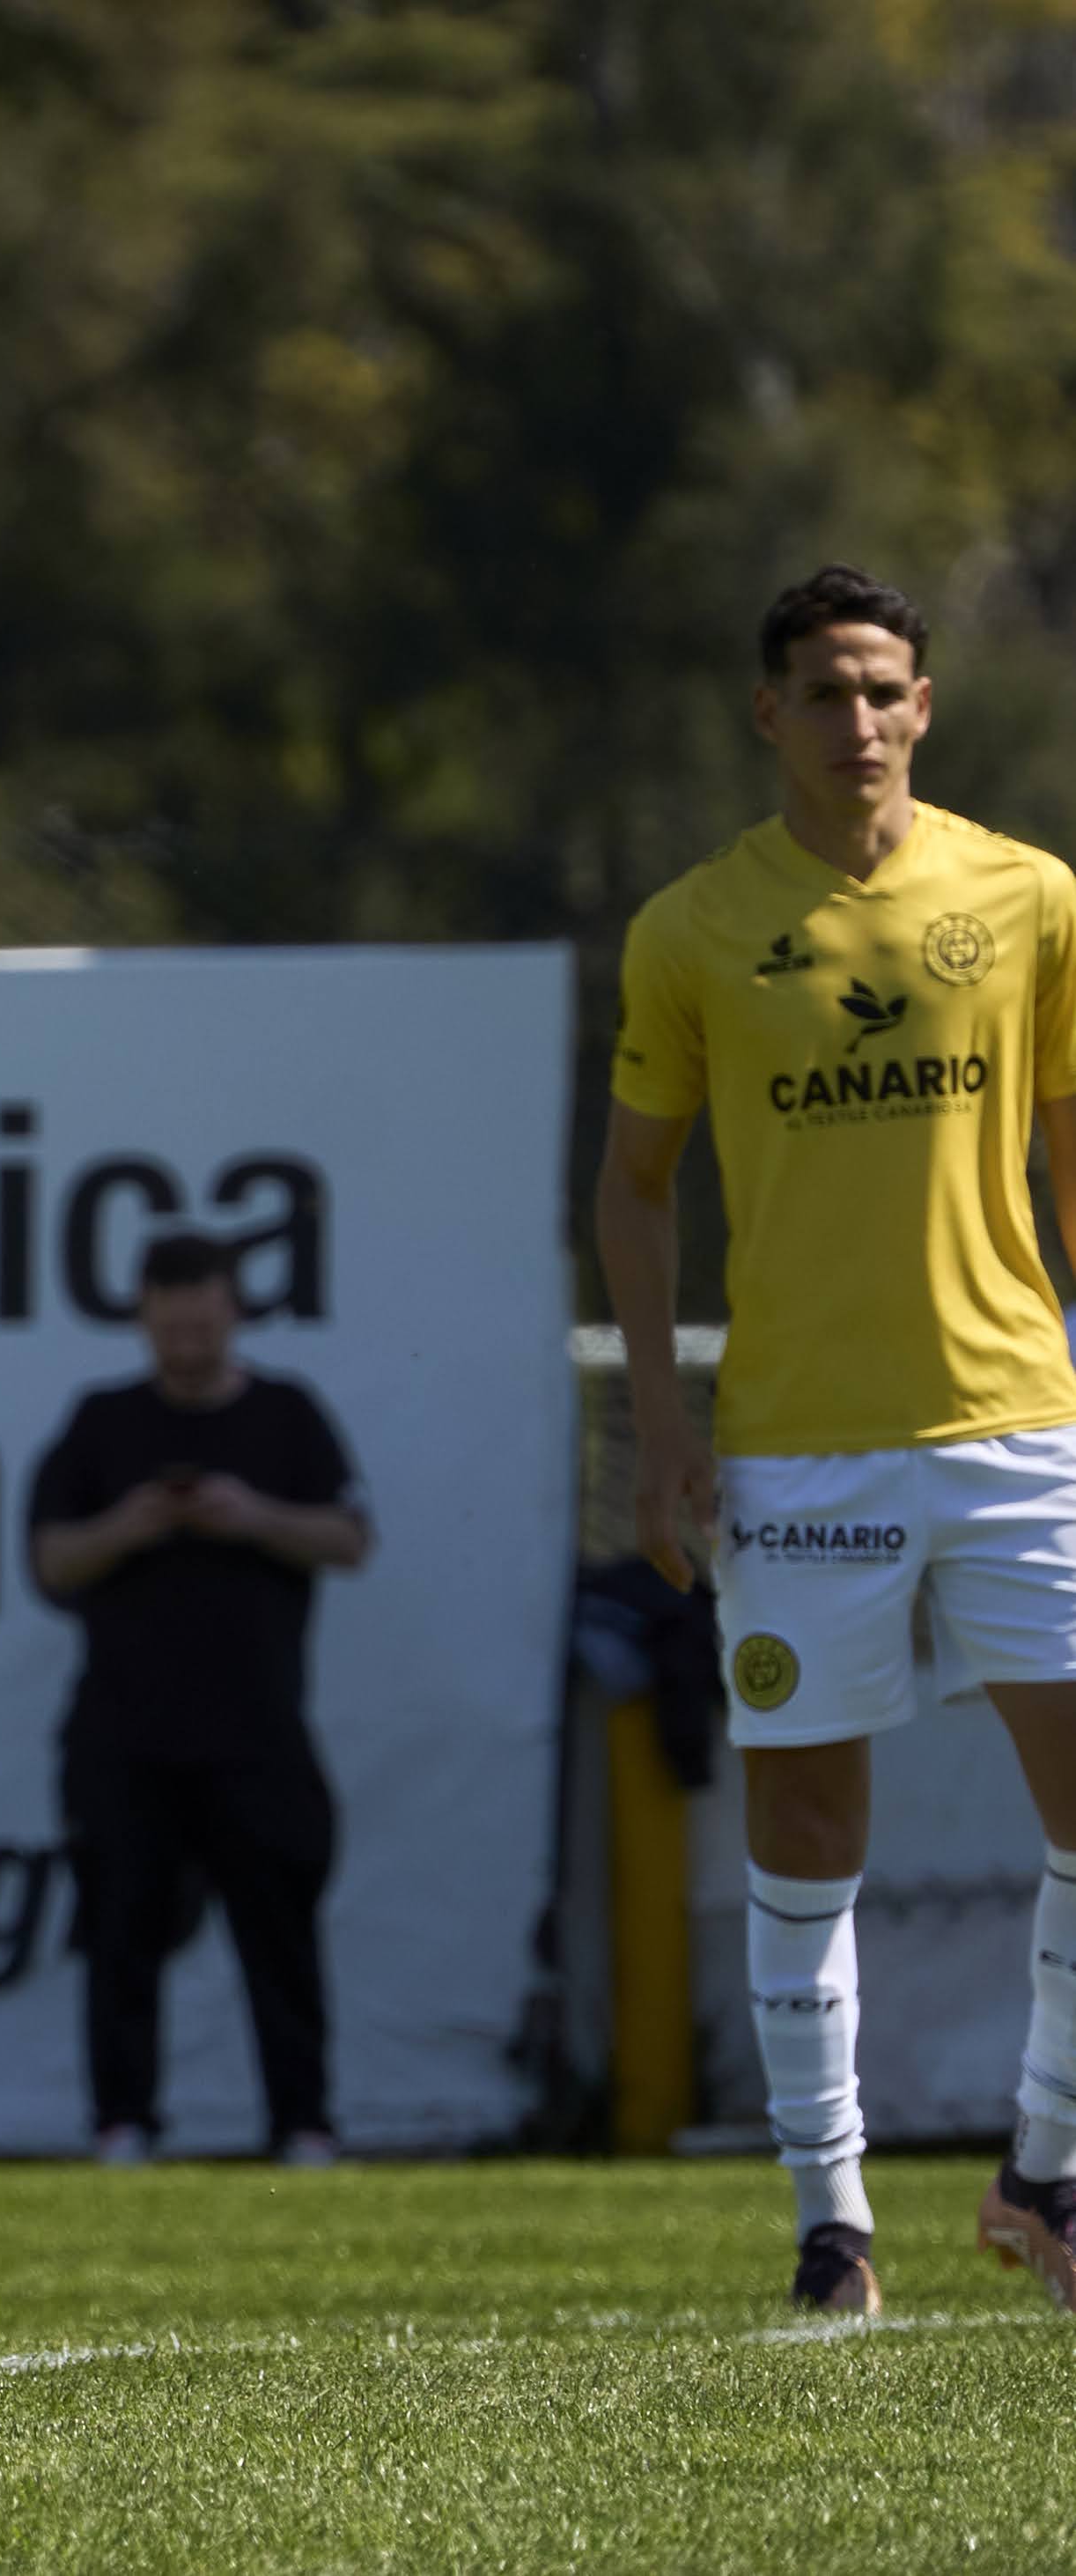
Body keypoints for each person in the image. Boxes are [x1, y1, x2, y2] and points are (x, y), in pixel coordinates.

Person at [599, 563, 1076, 2318]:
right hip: (801, 1449)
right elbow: (635, 1192)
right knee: (807, 1822)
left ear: (925, 708)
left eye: (882, 689)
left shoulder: (1031, 899)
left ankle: (1046, 2167)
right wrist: (662, 1427)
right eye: (821, 691)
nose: (854, 721)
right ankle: (834, 2225)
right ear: (767, 715)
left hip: (1022, 1419)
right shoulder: (694, 927)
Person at [26, 1230, 372, 2167]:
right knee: (119, 1937)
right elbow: (51, 1558)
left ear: (232, 1313)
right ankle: (123, 2125)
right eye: (168, 1317)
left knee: (280, 1940)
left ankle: (303, 2125)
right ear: (143, 1316)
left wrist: (250, 1515)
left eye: (202, 1315)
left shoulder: (287, 1416)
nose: (185, 1334)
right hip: (125, 1734)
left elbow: (350, 1535)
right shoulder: (102, 1422)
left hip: (257, 1731)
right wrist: (131, 1526)